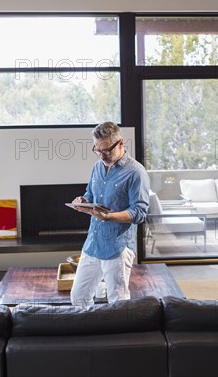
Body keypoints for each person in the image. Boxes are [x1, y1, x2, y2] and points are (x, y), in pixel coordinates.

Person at [69, 121, 149, 307]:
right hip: (93, 244)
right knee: (78, 297)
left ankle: (118, 337)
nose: (101, 155)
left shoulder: (136, 172)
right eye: (97, 150)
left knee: (118, 303)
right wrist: (82, 201)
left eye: (106, 150)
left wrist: (108, 216)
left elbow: (139, 212)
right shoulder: (97, 167)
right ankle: (90, 335)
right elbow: (90, 194)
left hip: (118, 247)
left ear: (120, 143)